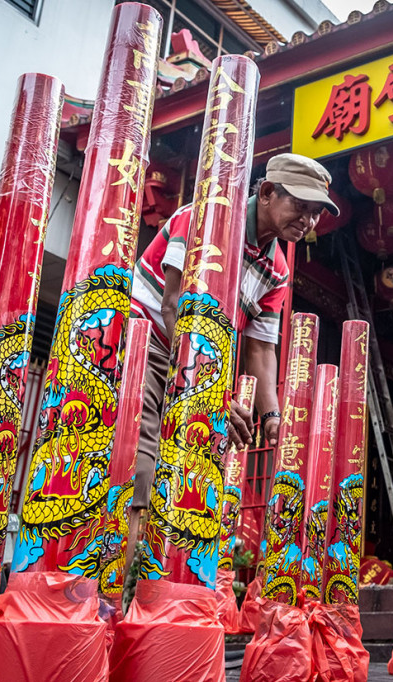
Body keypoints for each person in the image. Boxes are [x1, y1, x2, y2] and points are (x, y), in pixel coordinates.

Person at [127, 153, 338, 553]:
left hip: (198, 365)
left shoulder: (277, 270)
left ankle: (162, 567)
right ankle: (125, 574)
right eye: (300, 206)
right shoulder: (205, 218)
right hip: (147, 342)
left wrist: (273, 417)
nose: (308, 221)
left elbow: (261, 347)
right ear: (268, 192)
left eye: (315, 214)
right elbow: (173, 306)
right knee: (143, 453)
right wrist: (213, 393)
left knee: (194, 466)